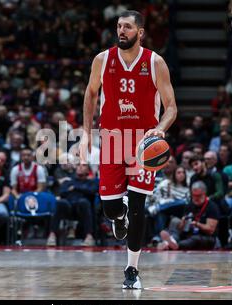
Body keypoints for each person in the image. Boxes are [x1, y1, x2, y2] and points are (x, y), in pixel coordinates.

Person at [79, 10, 177, 289]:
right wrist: (86, 134)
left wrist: (161, 128)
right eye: (119, 26)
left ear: (140, 32)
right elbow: (90, 93)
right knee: (110, 209)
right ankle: (117, 215)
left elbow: (171, 107)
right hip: (111, 140)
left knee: (138, 206)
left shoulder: (156, 62)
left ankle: (131, 269)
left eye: (127, 27)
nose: (121, 31)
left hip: (143, 145)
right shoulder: (102, 59)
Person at [46, 164, 98, 247]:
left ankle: (89, 236)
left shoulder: (92, 182)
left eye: (83, 166)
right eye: (78, 166)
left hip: (83, 210)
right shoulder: (69, 182)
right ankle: (52, 235)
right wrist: (80, 189)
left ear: (88, 171)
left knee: (83, 202)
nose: (80, 167)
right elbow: (62, 192)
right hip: (69, 208)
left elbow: (92, 191)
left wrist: (75, 188)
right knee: (61, 202)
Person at [158, 181, 219, 250]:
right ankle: (169, 243)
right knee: (175, 232)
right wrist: (183, 223)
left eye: (198, 196)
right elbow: (181, 228)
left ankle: (171, 245)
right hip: (188, 234)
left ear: (204, 194)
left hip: (206, 237)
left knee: (194, 240)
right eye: (193, 195)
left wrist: (197, 224)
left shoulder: (212, 207)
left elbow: (210, 230)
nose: (196, 198)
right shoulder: (189, 205)